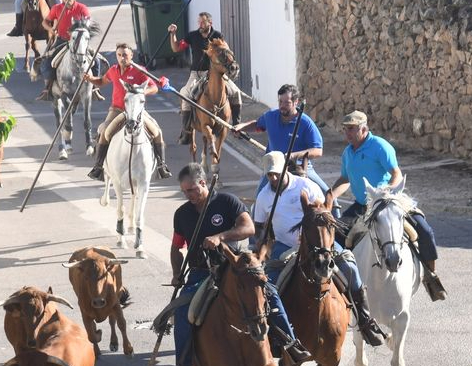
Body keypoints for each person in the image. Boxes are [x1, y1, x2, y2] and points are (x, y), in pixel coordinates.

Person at [165, 164, 311, 366]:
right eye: (185, 191)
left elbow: (248, 227)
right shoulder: (181, 214)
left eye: (192, 190)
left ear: (203, 183)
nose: (189, 195)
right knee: (182, 310)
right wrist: (176, 273)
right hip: (200, 272)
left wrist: (220, 237)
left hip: (235, 266)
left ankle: (290, 343)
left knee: (269, 292)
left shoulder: (226, 202)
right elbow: (177, 247)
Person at [253, 152, 386, 347]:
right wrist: (265, 241)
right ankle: (275, 332)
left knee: (350, 268)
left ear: (284, 170)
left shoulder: (306, 185)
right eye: (269, 175)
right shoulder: (264, 197)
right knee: (268, 286)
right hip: (284, 245)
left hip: (318, 241)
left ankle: (366, 321)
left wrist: (311, 231)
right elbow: (259, 227)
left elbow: (325, 212)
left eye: (276, 174)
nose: (273, 179)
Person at [331, 110, 447, 302]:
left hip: (387, 201)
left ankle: (431, 277)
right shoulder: (347, 153)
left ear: (364, 128)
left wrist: (389, 192)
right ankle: (343, 286)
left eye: (351, 129)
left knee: (424, 231)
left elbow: (396, 173)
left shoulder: (380, 146)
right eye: (345, 130)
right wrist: (330, 195)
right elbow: (345, 178)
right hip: (363, 204)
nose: (347, 134)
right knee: (335, 236)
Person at [234, 84, 338, 215]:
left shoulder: (306, 123)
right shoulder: (271, 116)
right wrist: (241, 127)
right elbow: (257, 125)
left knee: (330, 198)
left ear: (296, 102)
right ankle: (256, 234)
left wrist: (294, 155)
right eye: (280, 102)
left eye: (287, 102)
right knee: (259, 201)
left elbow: (318, 150)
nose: (282, 105)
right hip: (274, 168)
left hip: (299, 167)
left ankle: (337, 234)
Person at [83, 43, 171, 181]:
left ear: (131, 56)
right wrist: (91, 79)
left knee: (157, 132)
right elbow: (101, 81)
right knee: (104, 131)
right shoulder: (113, 70)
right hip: (117, 110)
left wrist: (141, 93)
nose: (122, 58)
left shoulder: (140, 70)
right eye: (119, 55)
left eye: (125, 55)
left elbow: (154, 88)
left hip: (136, 111)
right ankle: (98, 167)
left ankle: (161, 166)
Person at [167, 12, 243, 144]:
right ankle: (186, 131)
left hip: (216, 74)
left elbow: (227, 51)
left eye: (203, 22)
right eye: (199, 22)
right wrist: (172, 34)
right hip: (197, 74)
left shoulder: (217, 36)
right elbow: (176, 48)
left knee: (235, 92)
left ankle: (237, 126)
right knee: (184, 94)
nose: (200, 25)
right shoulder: (192, 36)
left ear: (210, 23)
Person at [36, 0, 104, 102]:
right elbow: (45, 22)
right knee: (47, 61)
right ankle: (48, 88)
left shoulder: (82, 8)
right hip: (62, 40)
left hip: (78, 41)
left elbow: (88, 23)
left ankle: (95, 88)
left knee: (96, 61)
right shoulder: (57, 8)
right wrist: (51, 29)